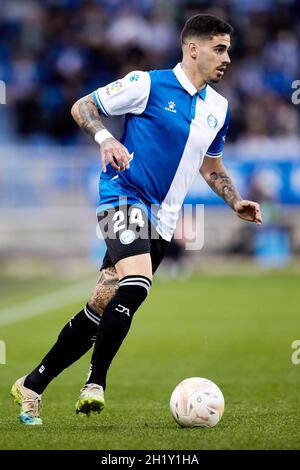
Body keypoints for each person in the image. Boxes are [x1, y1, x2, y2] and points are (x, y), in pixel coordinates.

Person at [11, 14, 262, 425]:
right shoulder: (146, 83)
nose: (228, 58)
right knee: (138, 282)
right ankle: (96, 382)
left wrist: (234, 200)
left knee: (100, 308)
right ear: (192, 48)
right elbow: (83, 106)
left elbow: (211, 165)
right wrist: (105, 137)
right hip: (121, 198)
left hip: (162, 221)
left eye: (229, 49)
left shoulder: (219, 107)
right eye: (220, 48)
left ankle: (31, 385)